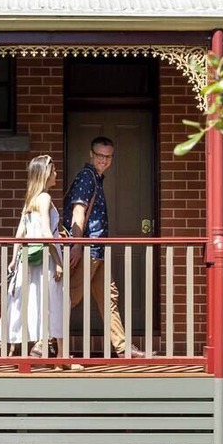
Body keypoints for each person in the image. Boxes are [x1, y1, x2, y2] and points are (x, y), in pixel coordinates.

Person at [65, 136, 145, 357]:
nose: (104, 160)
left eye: (108, 156)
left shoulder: (97, 179)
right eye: (100, 155)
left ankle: (122, 347)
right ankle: (44, 343)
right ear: (91, 154)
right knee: (71, 296)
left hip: (97, 251)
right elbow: (78, 211)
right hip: (88, 248)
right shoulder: (87, 176)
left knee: (109, 297)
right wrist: (77, 245)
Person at [0, 155, 65, 357]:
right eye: (53, 171)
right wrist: (58, 261)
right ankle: (62, 356)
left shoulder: (30, 199)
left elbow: (20, 233)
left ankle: (4, 344)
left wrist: (13, 259)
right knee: (56, 303)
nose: (56, 174)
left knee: (26, 302)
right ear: (45, 174)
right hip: (46, 259)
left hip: (28, 259)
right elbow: (46, 232)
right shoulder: (45, 198)